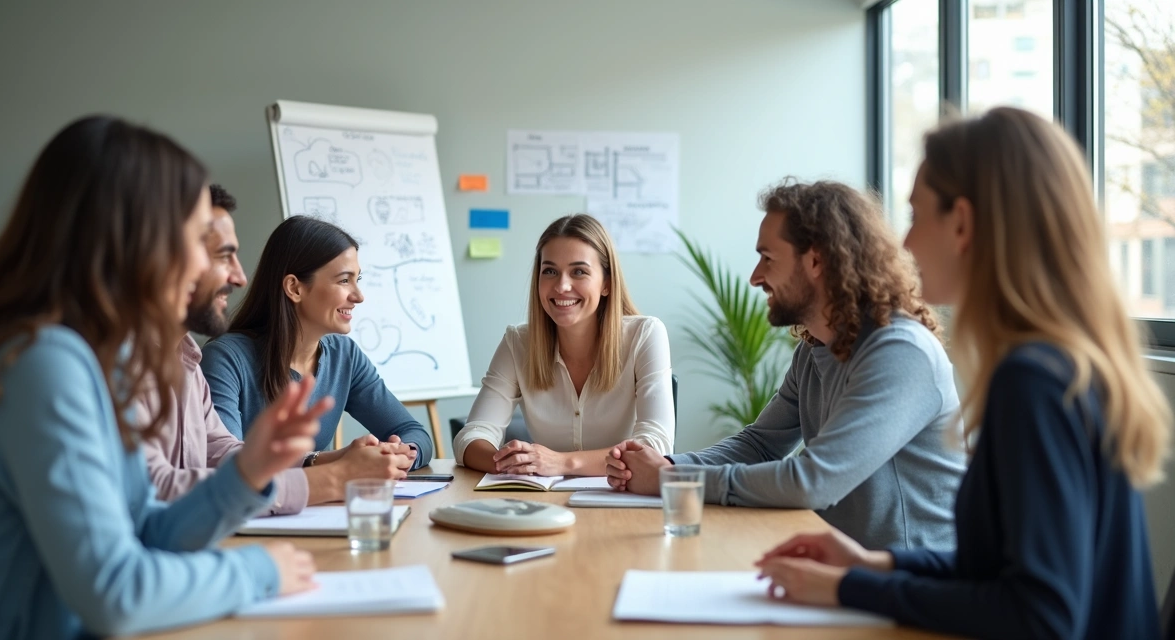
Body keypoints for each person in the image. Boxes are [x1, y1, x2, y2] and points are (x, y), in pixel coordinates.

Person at [755, 107, 1172, 640]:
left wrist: (847, 590)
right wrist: (871, 565)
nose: (903, 245)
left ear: (963, 224)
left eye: (915, 216)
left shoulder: (1033, 382)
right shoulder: (1057, 363)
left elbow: (1040, 615)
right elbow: (1005, 571)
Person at [0, 116, 328, 638]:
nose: (211, 268)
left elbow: (146, 529)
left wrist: (248, 472)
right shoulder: (45, 364)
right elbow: (116, 592)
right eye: (197, 240)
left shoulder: (96, 359)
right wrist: (260, 571)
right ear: (134, 240)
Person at [606, 180, 965, 551]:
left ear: (816, 260)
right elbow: (760, 445)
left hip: (907, 586)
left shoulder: (901, 353)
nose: (755, 277)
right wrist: (661, 463)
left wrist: (673, 478)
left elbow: (814, 480)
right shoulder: (814, 351)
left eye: (768, 258)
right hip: (839, 568)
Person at [140, 185, 413, 515]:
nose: (240, 276)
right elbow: (160, 488)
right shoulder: (120, 365)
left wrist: (334, 460)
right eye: (223, 256)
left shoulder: (186, 361)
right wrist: (333, 477)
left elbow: (222, 452)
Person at [202, 215, 432, 469]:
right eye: (344, 280)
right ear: (295, 288)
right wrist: (335, 461)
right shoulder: (225, 358)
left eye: (358, 280)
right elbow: (228, 464)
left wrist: (399, 455)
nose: (358, 296)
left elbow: (413, 432)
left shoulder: (345, 356)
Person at [454, 214, 674, 476]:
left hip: (623, 504)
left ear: (606, 283)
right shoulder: (518, 343)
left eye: (579, 271)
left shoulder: (645, 335)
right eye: (550, 271)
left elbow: (654, 447)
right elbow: (471, 436)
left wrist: (561, 463)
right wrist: (514, 463)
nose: (561, 286)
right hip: (544, 506)